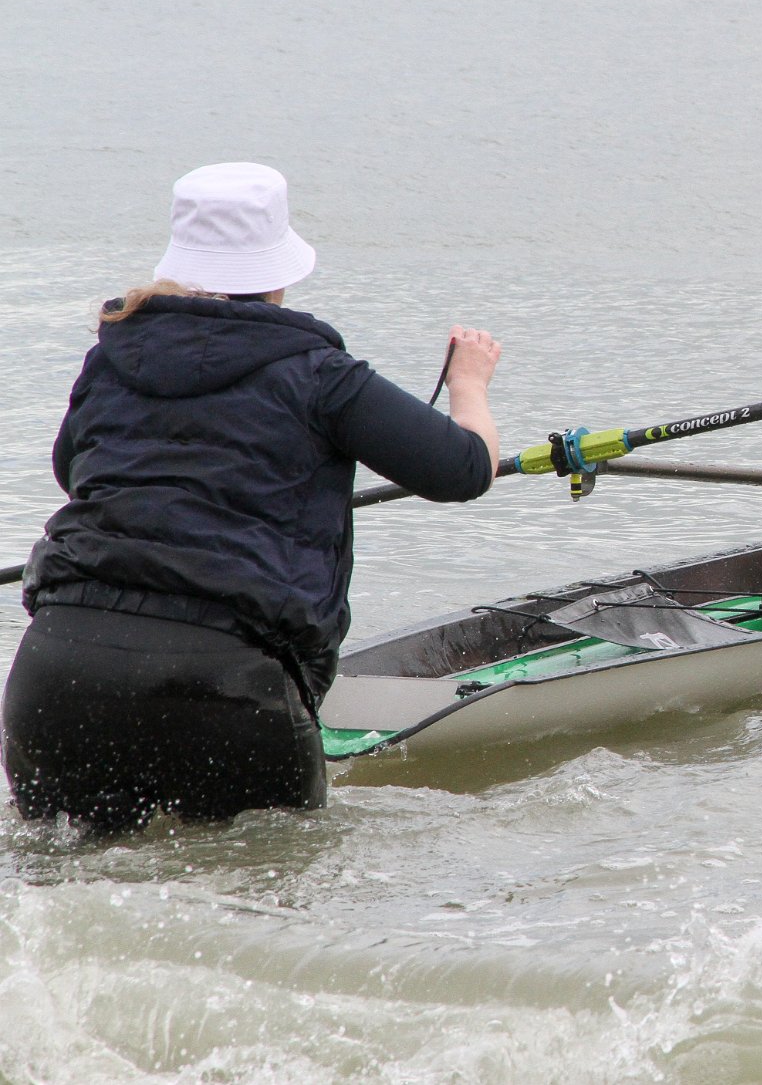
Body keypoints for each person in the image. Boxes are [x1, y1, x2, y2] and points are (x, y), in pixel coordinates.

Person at [4, 162, 503, 831]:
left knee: (61, 892)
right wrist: (469, 382)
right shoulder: (321, 375)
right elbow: (464, 467)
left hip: (57, 670)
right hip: (226, 686)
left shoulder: (111, 357)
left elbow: (74, 472)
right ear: (278, 269)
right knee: (266, 899)